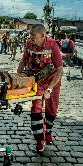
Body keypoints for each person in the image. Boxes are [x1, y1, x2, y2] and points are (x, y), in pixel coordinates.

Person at [17, 24, 63, 152]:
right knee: (35, 108)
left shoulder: (53, 46)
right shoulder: (29, 44)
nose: (30, 37)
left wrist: (50, 89)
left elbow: (59, 70)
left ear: (43, 36)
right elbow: (23, 61)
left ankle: (48, 132)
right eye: (30, 34)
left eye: (33, 35)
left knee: (52, 109)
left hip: (52, 80)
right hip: (36, 80)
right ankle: (39, 140)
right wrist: (17, 77)